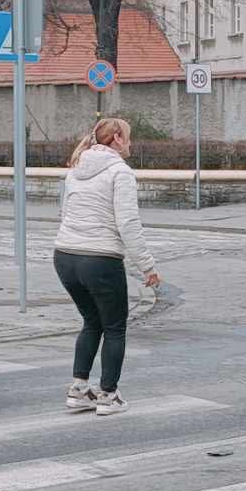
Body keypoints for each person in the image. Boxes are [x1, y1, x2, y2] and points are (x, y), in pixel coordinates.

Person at [52, 118, 160, 416]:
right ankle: (108, 396)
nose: (131, 143)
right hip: (99, 259)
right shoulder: (120, 173)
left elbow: (64, 212)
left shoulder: (75, 171)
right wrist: (148, 266)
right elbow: (128, 224)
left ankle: (78, 390)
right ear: (116, 138)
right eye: (128, 137)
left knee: (91, 321)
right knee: (114, 328)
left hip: (65, 256)